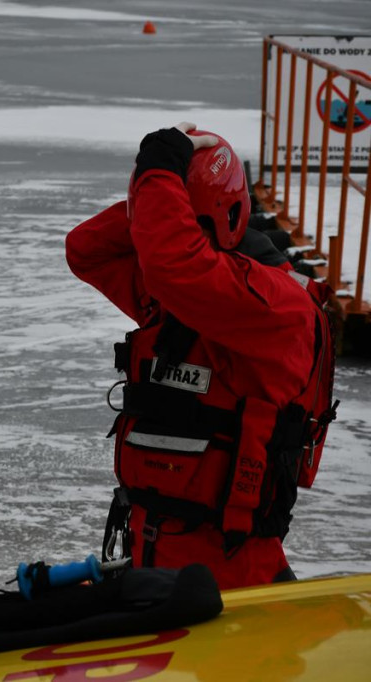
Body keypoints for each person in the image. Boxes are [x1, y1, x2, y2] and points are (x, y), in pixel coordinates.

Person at [65, 122, 334, 590]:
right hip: (155, 560)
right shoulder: (187, 299)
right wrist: (154, 192)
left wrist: (159, 176)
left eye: (178, 216)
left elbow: (172, 267)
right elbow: (87, 251)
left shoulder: (274, 307)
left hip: (231, 578)